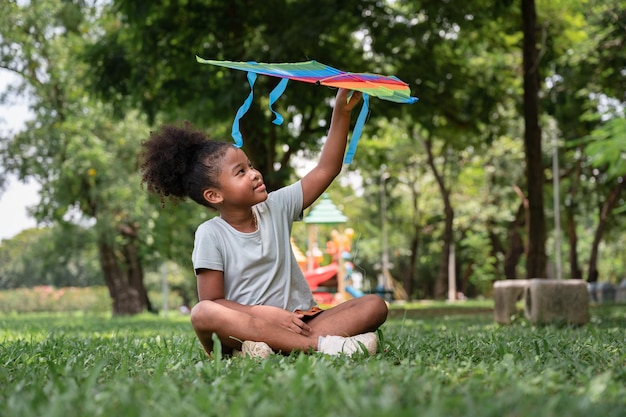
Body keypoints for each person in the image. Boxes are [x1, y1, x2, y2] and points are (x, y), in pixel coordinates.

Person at [140, 88, 388, 358]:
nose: (255, 174)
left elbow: (326, 169)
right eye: (241, 172)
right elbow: (212, 301)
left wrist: (341, 112)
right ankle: (320, 347)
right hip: (246, 327)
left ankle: (273, 349)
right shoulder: (210, 234)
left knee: (374, 305)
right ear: (214, 195)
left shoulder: (276, 207)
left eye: (251, 165)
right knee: (202, 313)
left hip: (302, 323)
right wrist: (262, 314)